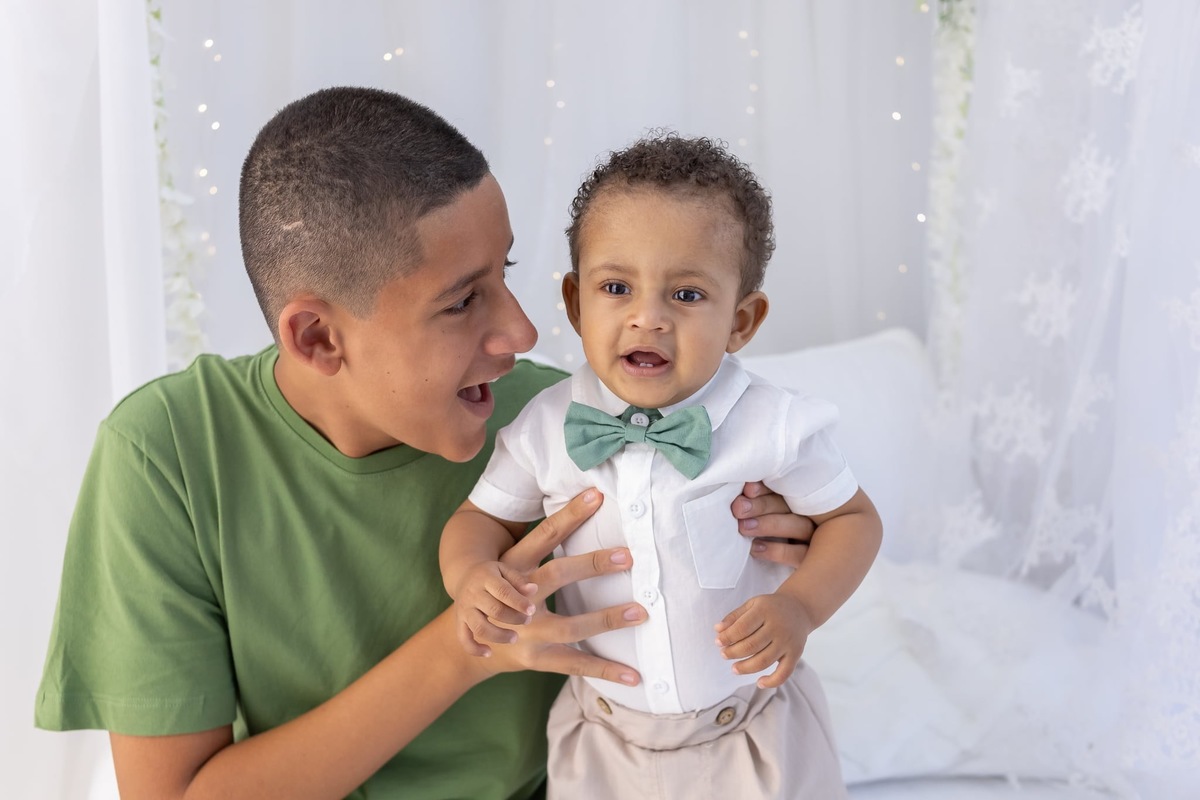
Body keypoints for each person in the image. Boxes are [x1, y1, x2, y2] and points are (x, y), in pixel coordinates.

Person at [34, 87, 816, 800]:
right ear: (318, 337)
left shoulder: (564, 421)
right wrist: (465, 648)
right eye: (463, 301)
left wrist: (786, 535)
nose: (522, 332)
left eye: (505, 272)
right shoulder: (167, 454)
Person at [440, 134, 883, 798]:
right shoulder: (547, 425)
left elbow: (854, 520)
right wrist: (472, 576)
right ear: (575, 303)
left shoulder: (775, 424)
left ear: (742, 321)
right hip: (603, 740)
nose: (647, 318)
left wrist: (799, 607)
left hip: (751, 730)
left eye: (687, 295)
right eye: (616, 287)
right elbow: (479, 521)